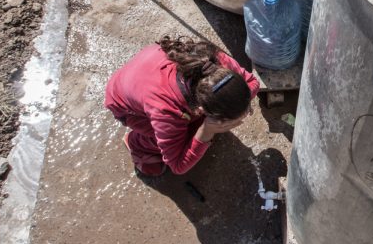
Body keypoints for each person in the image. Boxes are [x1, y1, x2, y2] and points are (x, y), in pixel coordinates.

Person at [104, 36, 260, 177]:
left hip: (145, 68)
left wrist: (242, 103)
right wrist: (206, 130)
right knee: (188, 134)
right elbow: (178, 165)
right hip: (124, 103)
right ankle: (137, 144)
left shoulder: (214, 64)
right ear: (201, 109)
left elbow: (252, 82)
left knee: (194, 129)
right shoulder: (166, 111)